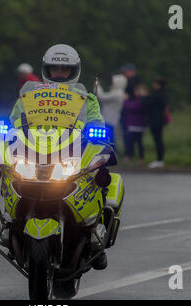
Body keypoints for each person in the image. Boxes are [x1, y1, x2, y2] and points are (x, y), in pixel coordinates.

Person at [9, 44, 107, 269]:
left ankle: (96, 237)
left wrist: (99, 137)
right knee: (8, 172)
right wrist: (4, 134)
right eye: (55, 69)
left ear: (74, 71)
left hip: (72, 155)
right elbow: (14, 119)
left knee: (100, 174)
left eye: (65, 70)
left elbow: (97, 124)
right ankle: (11, 225)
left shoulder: (87, 99)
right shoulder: (30, 95)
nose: (60, 74)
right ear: (47, 69)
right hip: (34, 154)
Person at [96, 74, 127, 151]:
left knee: (110, 137)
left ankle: (112, 152)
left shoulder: (117, 93)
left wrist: (98, 86)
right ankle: (111, 152)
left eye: (114, 82)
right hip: (111, 117)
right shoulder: (118, 92)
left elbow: (102, 97)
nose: (112, 83)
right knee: (110, 137)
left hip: (110, 118)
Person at [143, 77, 168, 168]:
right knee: (157, 140)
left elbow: (147, 102)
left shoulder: (160, 95)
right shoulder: (157, 94)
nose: (153, 85)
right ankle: (159, 159)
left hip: (157, 121)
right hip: (155, 120)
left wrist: (144, 96)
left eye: (155, 84)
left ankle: (160, 160)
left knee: (158, 140)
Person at [123, 83, 147, 164]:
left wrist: (125, 100)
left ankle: (140, 158)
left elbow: (132, 107)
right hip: (132, 124)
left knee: (139, 142)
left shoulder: (142, 100)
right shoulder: (135, 99)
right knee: (130, 142)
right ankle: (130, 156)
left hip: (139, 124)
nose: (137, 92)